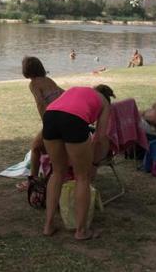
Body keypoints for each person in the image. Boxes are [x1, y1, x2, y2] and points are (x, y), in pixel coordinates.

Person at [41, 86, 111, 240]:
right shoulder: (104, 102)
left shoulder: (77, 90)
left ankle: (48, 225)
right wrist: (95, 161)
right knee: (82, 177)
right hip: (74, 120)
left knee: (57, 172)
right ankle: (81, 231)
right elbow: (100, 137)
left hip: (50, 116)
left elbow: (62, 109)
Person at [20, 57, 64, 190]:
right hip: (63, 116)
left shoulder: (33, 84)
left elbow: (40, 103)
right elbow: (63, 93)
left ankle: (32, 181)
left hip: (54, 120)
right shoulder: (49, 80)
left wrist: (47, 123)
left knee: (35, 147)